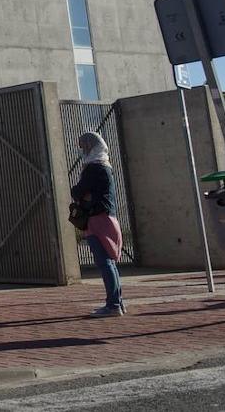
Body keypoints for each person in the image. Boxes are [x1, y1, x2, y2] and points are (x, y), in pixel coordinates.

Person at [72, 131, 126, 317]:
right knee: (110, 263)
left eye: (83, 146)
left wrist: (78, 193)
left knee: (104, 263)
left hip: (97, 219)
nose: (81, 151)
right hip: (108, 217)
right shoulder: (105, 165)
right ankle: (117, 302)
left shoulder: (93, 168)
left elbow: (78, 191)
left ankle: (112, 305)